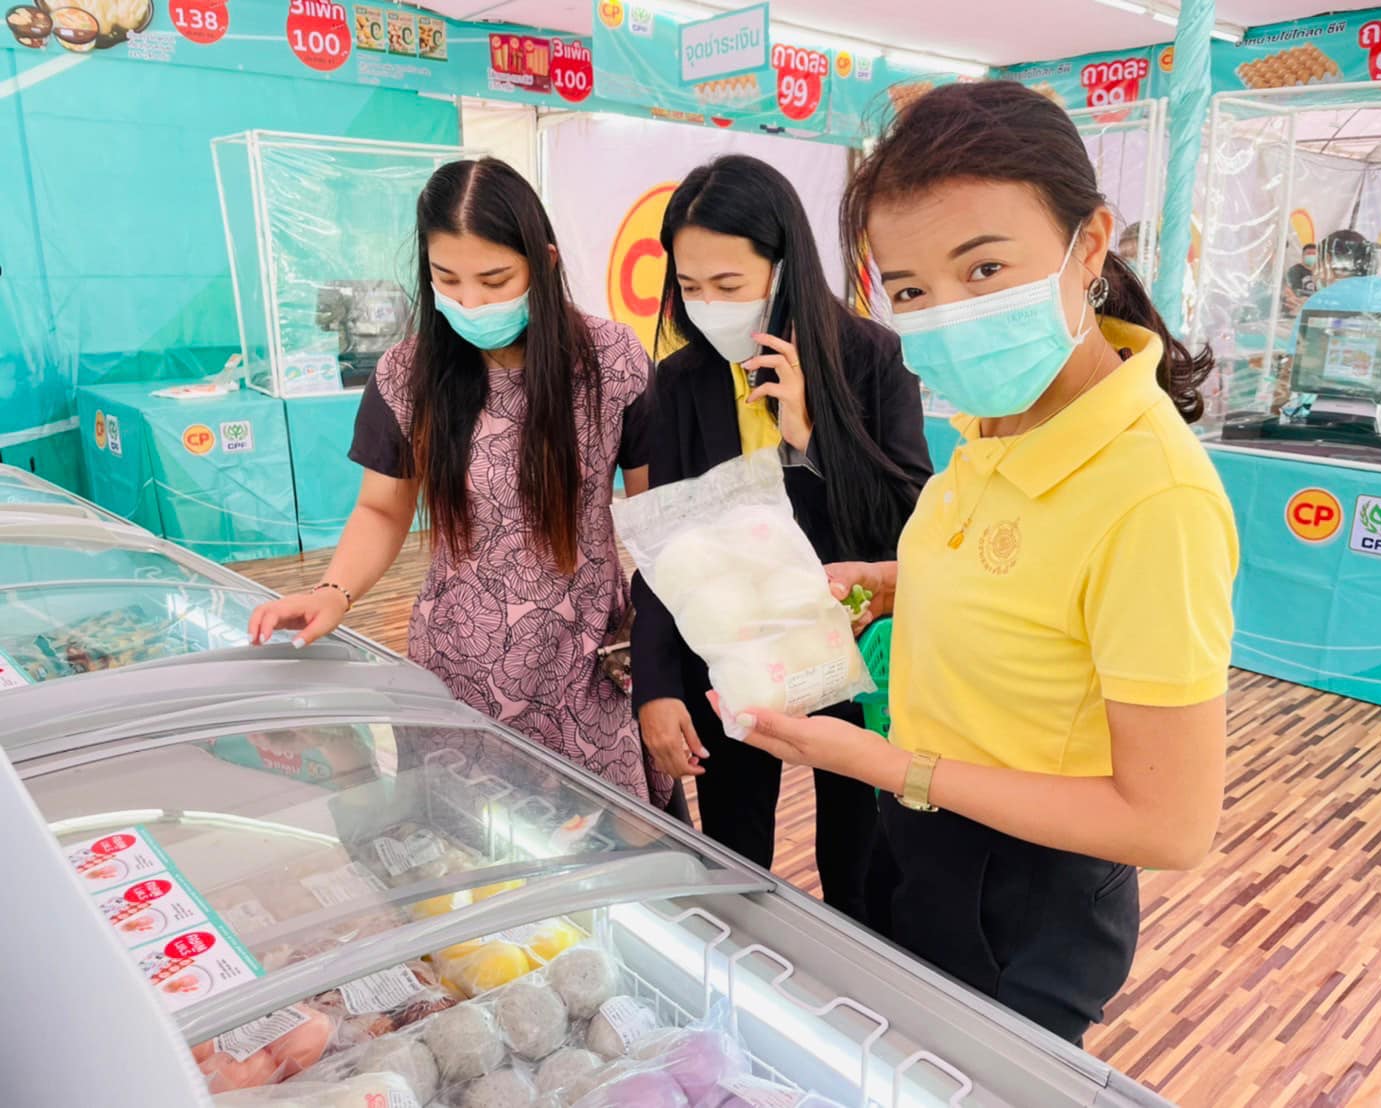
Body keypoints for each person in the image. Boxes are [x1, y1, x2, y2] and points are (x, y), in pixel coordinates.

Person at [722, 82, 1238, 1045]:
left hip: (1025, 893)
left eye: (986, 269)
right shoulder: (998, 419)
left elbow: (1169, 823)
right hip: (922, 832)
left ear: (1090, 245)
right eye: (911, 290)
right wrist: (897, 580)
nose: (948, 316)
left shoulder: (1154, 496)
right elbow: (1039, 591)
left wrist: (889, 765)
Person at [247, 158, 672, 808]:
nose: (470, 302)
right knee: (468, 835)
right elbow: (383, 510)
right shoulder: (407, 374)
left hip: (585, 664)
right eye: (447, 279)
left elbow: (658, 516)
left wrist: (668, 663)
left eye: (495, 280)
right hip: (459, 665)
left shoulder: (611, 362)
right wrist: (334, 590)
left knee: (603, 835)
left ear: (545, 262)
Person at [631, 154, 933, 919]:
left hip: (852, 653)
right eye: (690, 287)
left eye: (729, 285)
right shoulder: (682, 382)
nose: (708, 306)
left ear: (784, 266)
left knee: (859, 868)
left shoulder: (872, 359)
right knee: (733, 860)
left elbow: (909, 524)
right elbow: (667, 546)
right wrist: (656, 686)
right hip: (732, 657)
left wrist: (810, 436)